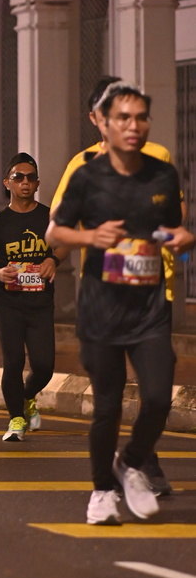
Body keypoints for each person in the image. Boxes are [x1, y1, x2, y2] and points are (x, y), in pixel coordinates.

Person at [47, 82, 194, 525]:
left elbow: (170, 229)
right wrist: (91, 236)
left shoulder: (162, 173)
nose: (134, 126)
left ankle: (129, 463)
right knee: (108, 406)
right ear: (104, 123)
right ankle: (101, 492)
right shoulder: (86, 174)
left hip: (149, 306)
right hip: (101, 308)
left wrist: (182, 240)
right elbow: (55, 233)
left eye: (141, 117)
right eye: (124, 118)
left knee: (158, 397)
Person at [0, 154, 66, 442]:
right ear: (7, 183)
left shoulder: (49, 217)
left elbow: (64, 244)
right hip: (7, 302)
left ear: (37, 183)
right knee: (12, 361)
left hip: (40, 303)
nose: (25, 182)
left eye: (30, 177)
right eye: (18, 177)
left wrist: (52, 259)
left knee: (44, 366)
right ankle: (16, 419)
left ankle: (26, 397)